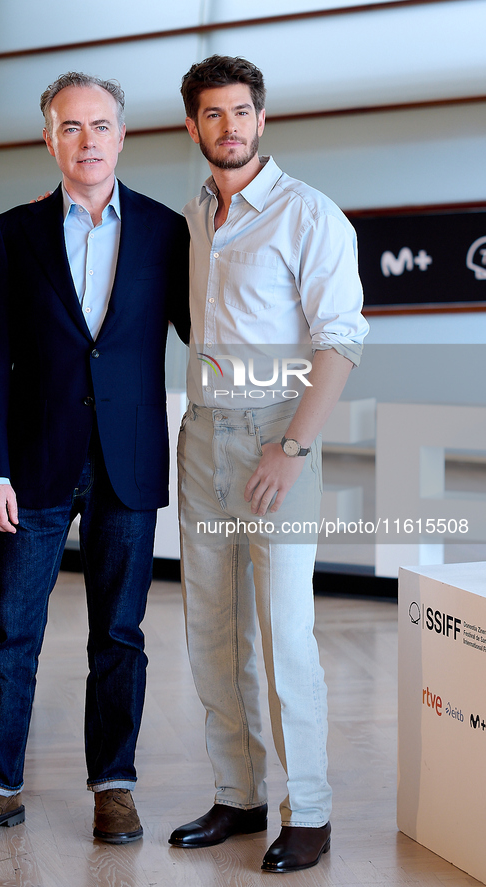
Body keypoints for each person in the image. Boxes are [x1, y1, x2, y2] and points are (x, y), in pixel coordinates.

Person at [0, 72, 189, 845]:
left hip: (128, 462)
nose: (87, 141)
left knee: (119, 634)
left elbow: (206, 332)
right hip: (31, 464)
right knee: (8, 630)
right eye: (70, 126)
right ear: (48, 137)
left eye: (100, 125)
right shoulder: (12, 232)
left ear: (123, 135)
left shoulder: (165, 230)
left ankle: (114, 785)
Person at [168, 56, 369, 873]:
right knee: (211, 633)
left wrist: (291, 448)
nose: (230, 127)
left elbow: (341, 340)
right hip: (202, 437)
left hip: (277, 438)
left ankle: (309, 811)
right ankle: (237, 794)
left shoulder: (308, 214)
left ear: (263, 118)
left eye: (242, 111)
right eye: (213, 114)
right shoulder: (191, 217)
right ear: (193, 126)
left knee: (284, 635)